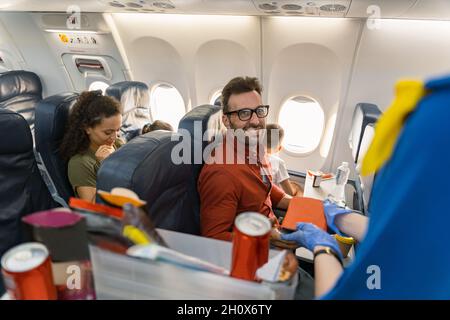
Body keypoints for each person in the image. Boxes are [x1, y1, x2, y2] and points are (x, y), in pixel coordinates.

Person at [281, 76, 450, 299]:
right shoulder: (436, 112)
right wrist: (342, 217)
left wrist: (323, 249)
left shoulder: (437, 121)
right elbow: (404, 235)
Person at [198, 76, 293, 242]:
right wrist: (268, 237)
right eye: (244, 114)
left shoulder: (255, 147)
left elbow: (265, 189)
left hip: (274, 228)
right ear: (226, 120)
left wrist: (305, 206)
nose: (256, 121)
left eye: (259, 111)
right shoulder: (221, 174)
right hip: (258, 251)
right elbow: (214, 238)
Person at [60, 91, 123, 203]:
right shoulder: (80, 163)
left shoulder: (117, 143)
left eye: (118, 130)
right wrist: (107, 167)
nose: (114, 137)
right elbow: (94, 208)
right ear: (87, 128)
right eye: (108, 132)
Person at [266, 123, 303, 196]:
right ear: (279, 148)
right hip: (272, 198)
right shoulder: (279, 162)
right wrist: (296, 188)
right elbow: (289, 192)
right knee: (298, 187)